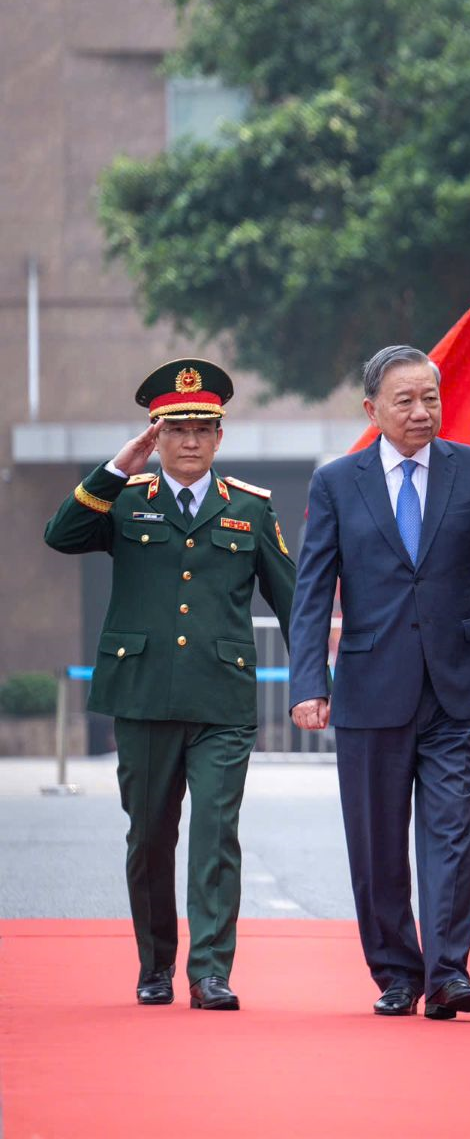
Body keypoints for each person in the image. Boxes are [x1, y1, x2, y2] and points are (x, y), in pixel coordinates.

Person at [43, 359, 296, 1011]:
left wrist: (315, 688)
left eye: (202, 428)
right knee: (150, 837)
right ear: (155, 435)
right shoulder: (124, 500)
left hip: (222, 701)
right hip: (144, 696)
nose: (189, 441)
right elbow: (60, 536)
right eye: (175, 428)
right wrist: (116, 468)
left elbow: (293, 602)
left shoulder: (250, 509)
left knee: (216, 835)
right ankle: (154, 964)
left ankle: (210, 971)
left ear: (220, 436)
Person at [288, 344, 470, 1020]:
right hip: (369, 688)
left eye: (431, 398)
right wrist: (310, 680)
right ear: (373, 409)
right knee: (378, 841)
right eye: (406, 401)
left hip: (456, 687)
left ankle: (449, 971)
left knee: (451, 831)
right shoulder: (338, 483)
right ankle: (397, 971)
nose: (422, 413)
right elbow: (313, 592)